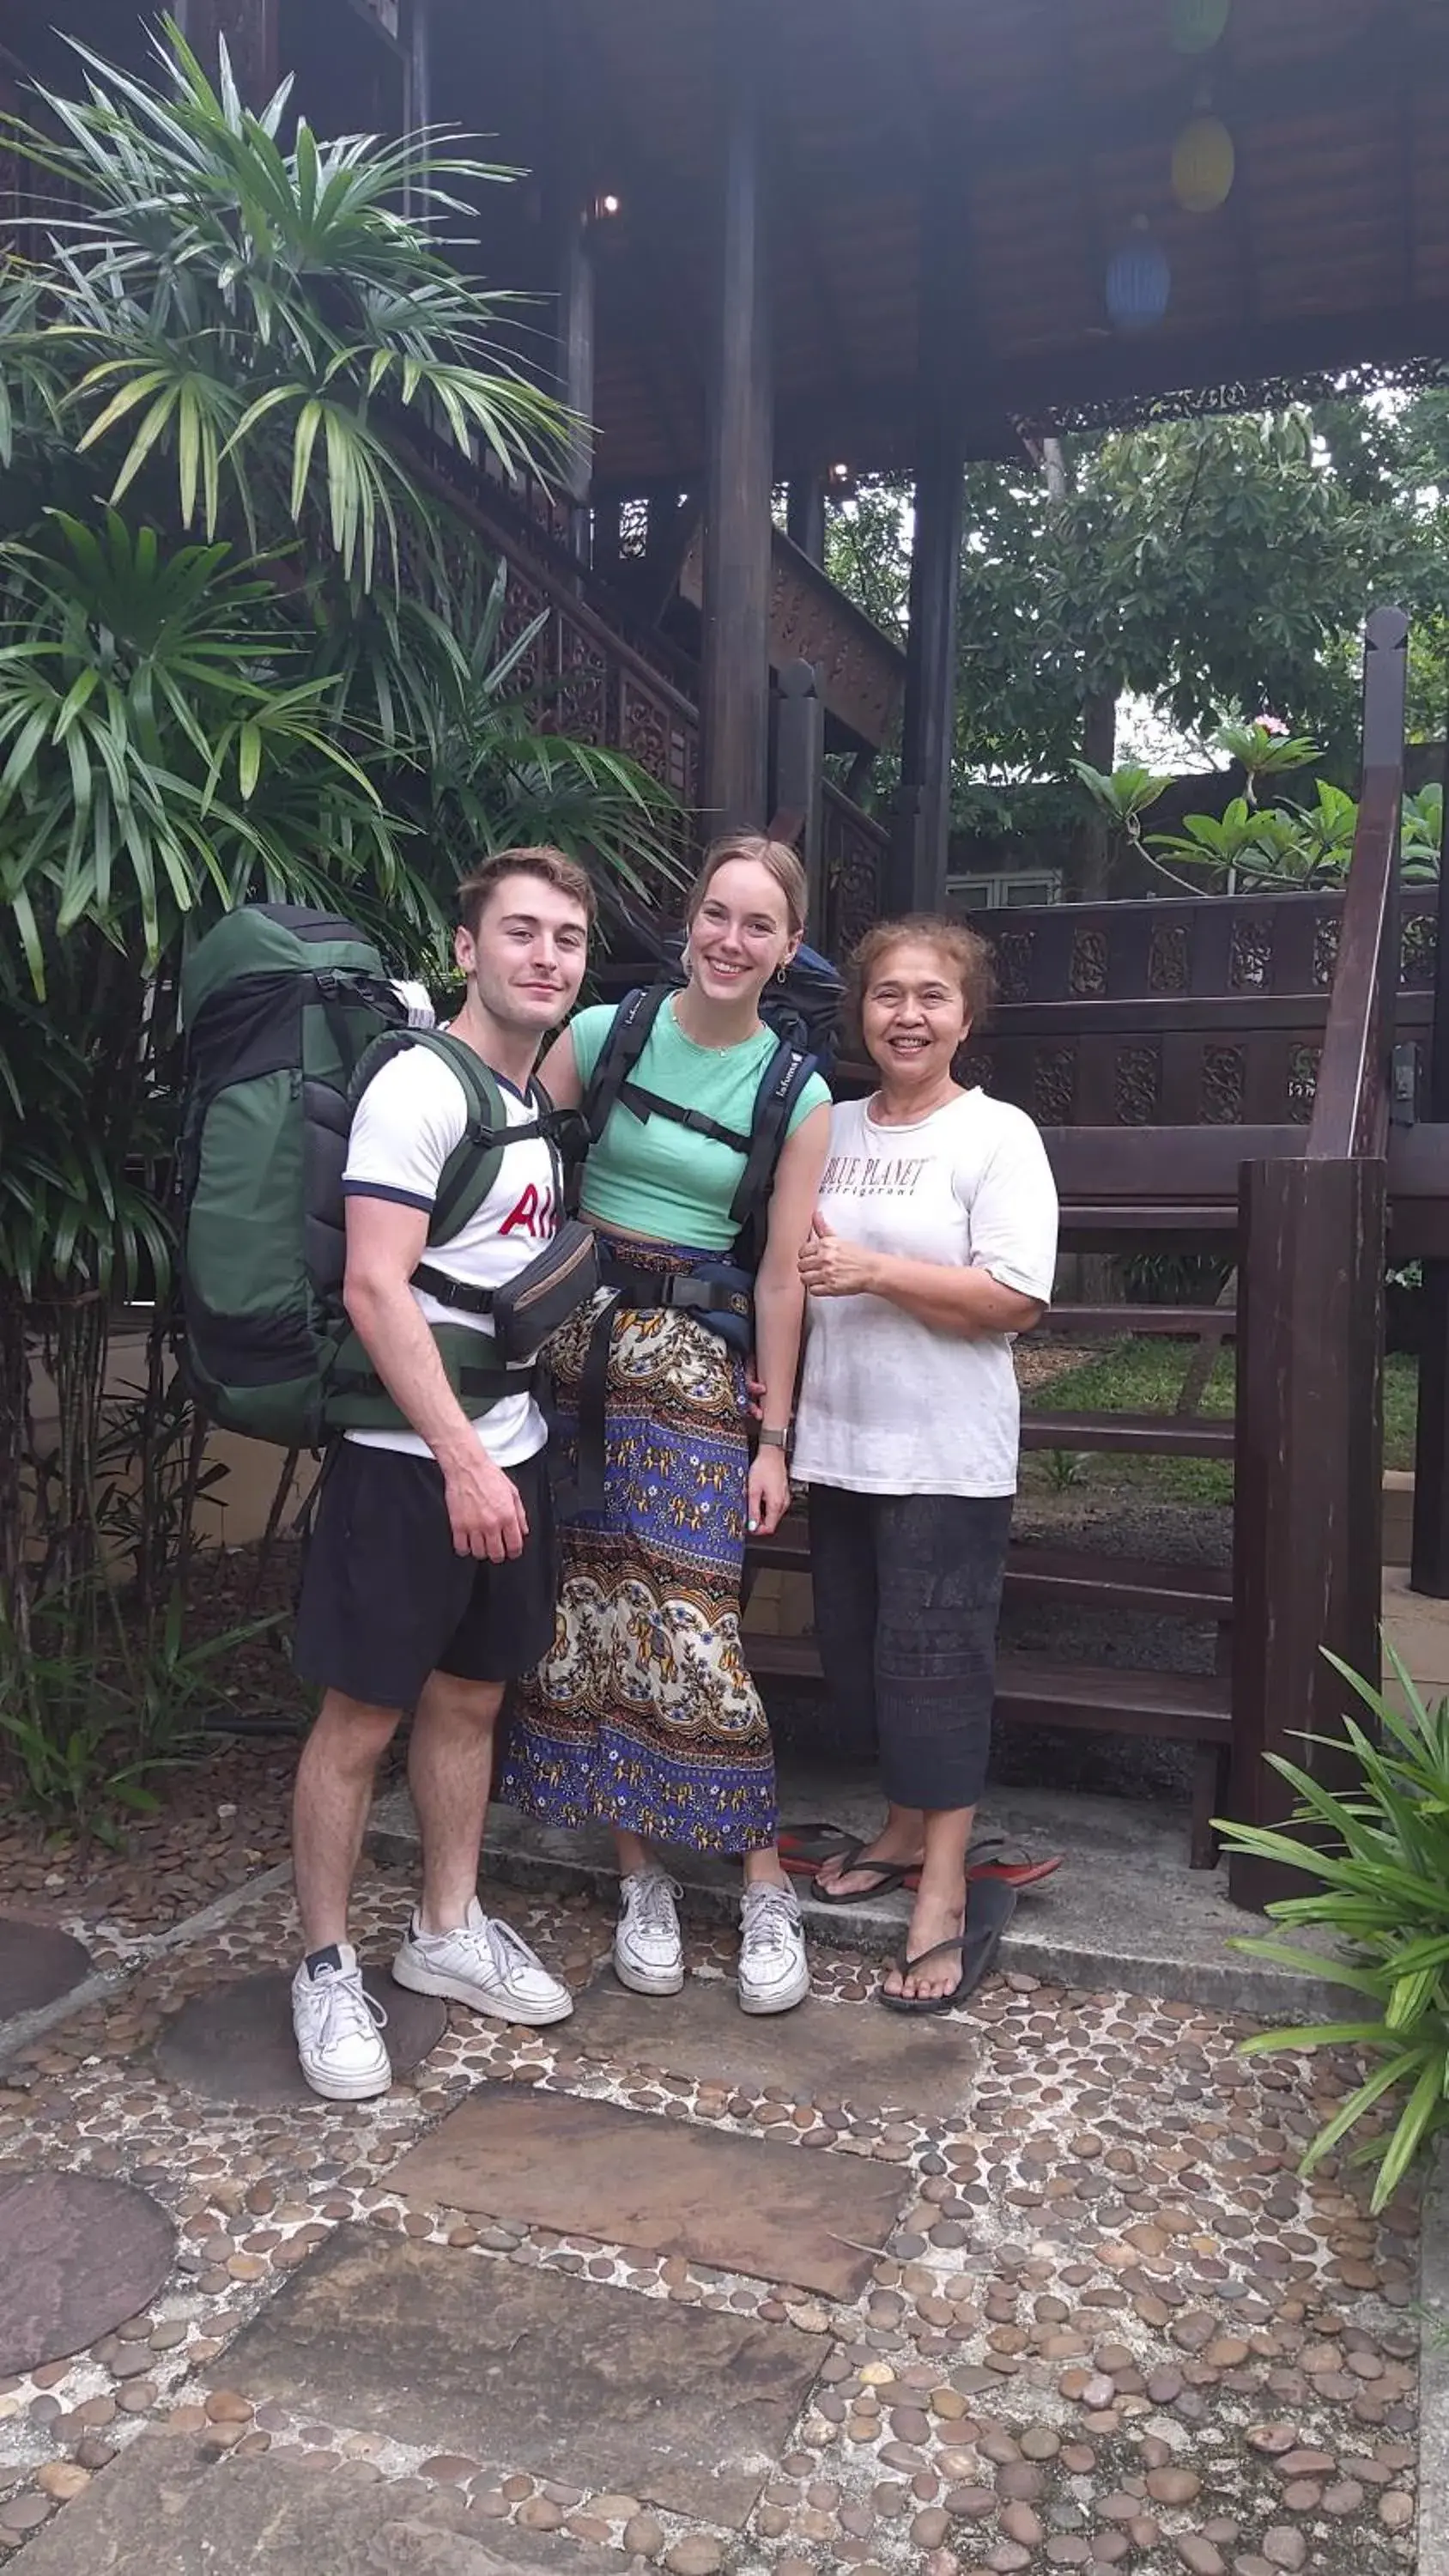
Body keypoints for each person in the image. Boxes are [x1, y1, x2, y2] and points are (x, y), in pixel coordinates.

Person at [497, 835, 832, 2014]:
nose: (730, 941)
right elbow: (507, 1167)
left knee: (695, 1623)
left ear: (789, 948)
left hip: (693, 1366)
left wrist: (776, 1437)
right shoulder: (604, 1036)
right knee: (583, 1616)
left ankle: (761, 1883)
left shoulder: (798, 1092)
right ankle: (639, 1876)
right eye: (715, 915)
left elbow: (784, 1277)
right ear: (688, 920)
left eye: (758, 925)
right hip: (569, 1350)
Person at [288, 848, 595, 2099]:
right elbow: (376, 1284)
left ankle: (444, 1930)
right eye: (519, 931)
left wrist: (498, 1461)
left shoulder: (533, 1095)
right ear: (466, 948)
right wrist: (465, 1464)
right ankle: (321, 1966)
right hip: (410, 1466)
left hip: (506, 1453)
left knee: (471, 1700)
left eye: (567, 939)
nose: (545, 955)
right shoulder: (421, 1086)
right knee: (360, 1716)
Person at [792, 914, 1059, 2014]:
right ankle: (903, 1830)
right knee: (858, 1664)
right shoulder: (829, 1124)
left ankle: (941, 1890)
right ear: (859, 1009)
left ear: (964, 1015)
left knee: (934, 1671)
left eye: (930, 997)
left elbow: (1014, 1299)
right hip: (840, 1438)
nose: (907, 1014)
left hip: (944, 1454)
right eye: (887, 994)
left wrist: (873, 1269)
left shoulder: (996, 1136)